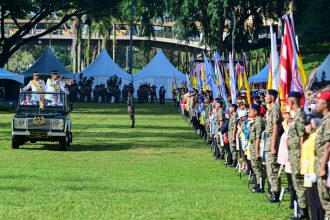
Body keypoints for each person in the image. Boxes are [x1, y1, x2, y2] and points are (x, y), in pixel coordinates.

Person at [287, 91, 308, 219]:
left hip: (297, 155)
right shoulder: (296, 116)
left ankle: (302, 212)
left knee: (299, 183)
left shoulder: (300, 116)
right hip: (294, 154)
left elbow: (302, 137)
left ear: (292, 101)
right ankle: (301, 209)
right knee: (297, 182)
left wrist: (300, 156)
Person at [301, 116, 324, 220]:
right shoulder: (310, 136)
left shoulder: (317, 136)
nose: (306, 126)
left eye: (309, 124)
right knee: (311, 199)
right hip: (307, 171)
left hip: (313, 170)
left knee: (317, 199)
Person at [314, 91, 330, 218]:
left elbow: (328, 145)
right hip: (320, 162)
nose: (316, 104)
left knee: (327, 199)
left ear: (326, 104)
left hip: (325, 164)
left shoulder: (329, 121)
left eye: (318, 102)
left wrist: (323, 166)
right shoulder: (324, 120)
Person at [265, 89, 282, 202]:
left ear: (272, 97)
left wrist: (273, 146)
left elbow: (276, 129)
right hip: (269, 140)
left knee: (273, 168)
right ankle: (272, 189)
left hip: (272, 141)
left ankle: (275, 192)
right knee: (269, 168)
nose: (265, 98)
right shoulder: (270, 110)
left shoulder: (275, 110)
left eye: (266, 96)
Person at [248, 104, 266, 193]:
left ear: (255, 111)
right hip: (252, 146)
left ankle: (260, 186)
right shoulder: (255, 121)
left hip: (256, 146)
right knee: (255, 167)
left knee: (258, 167)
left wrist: (256, 151)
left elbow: (258, 137)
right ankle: (258, 184)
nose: (249, 112)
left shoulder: (259, 122)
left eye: (251, 110)